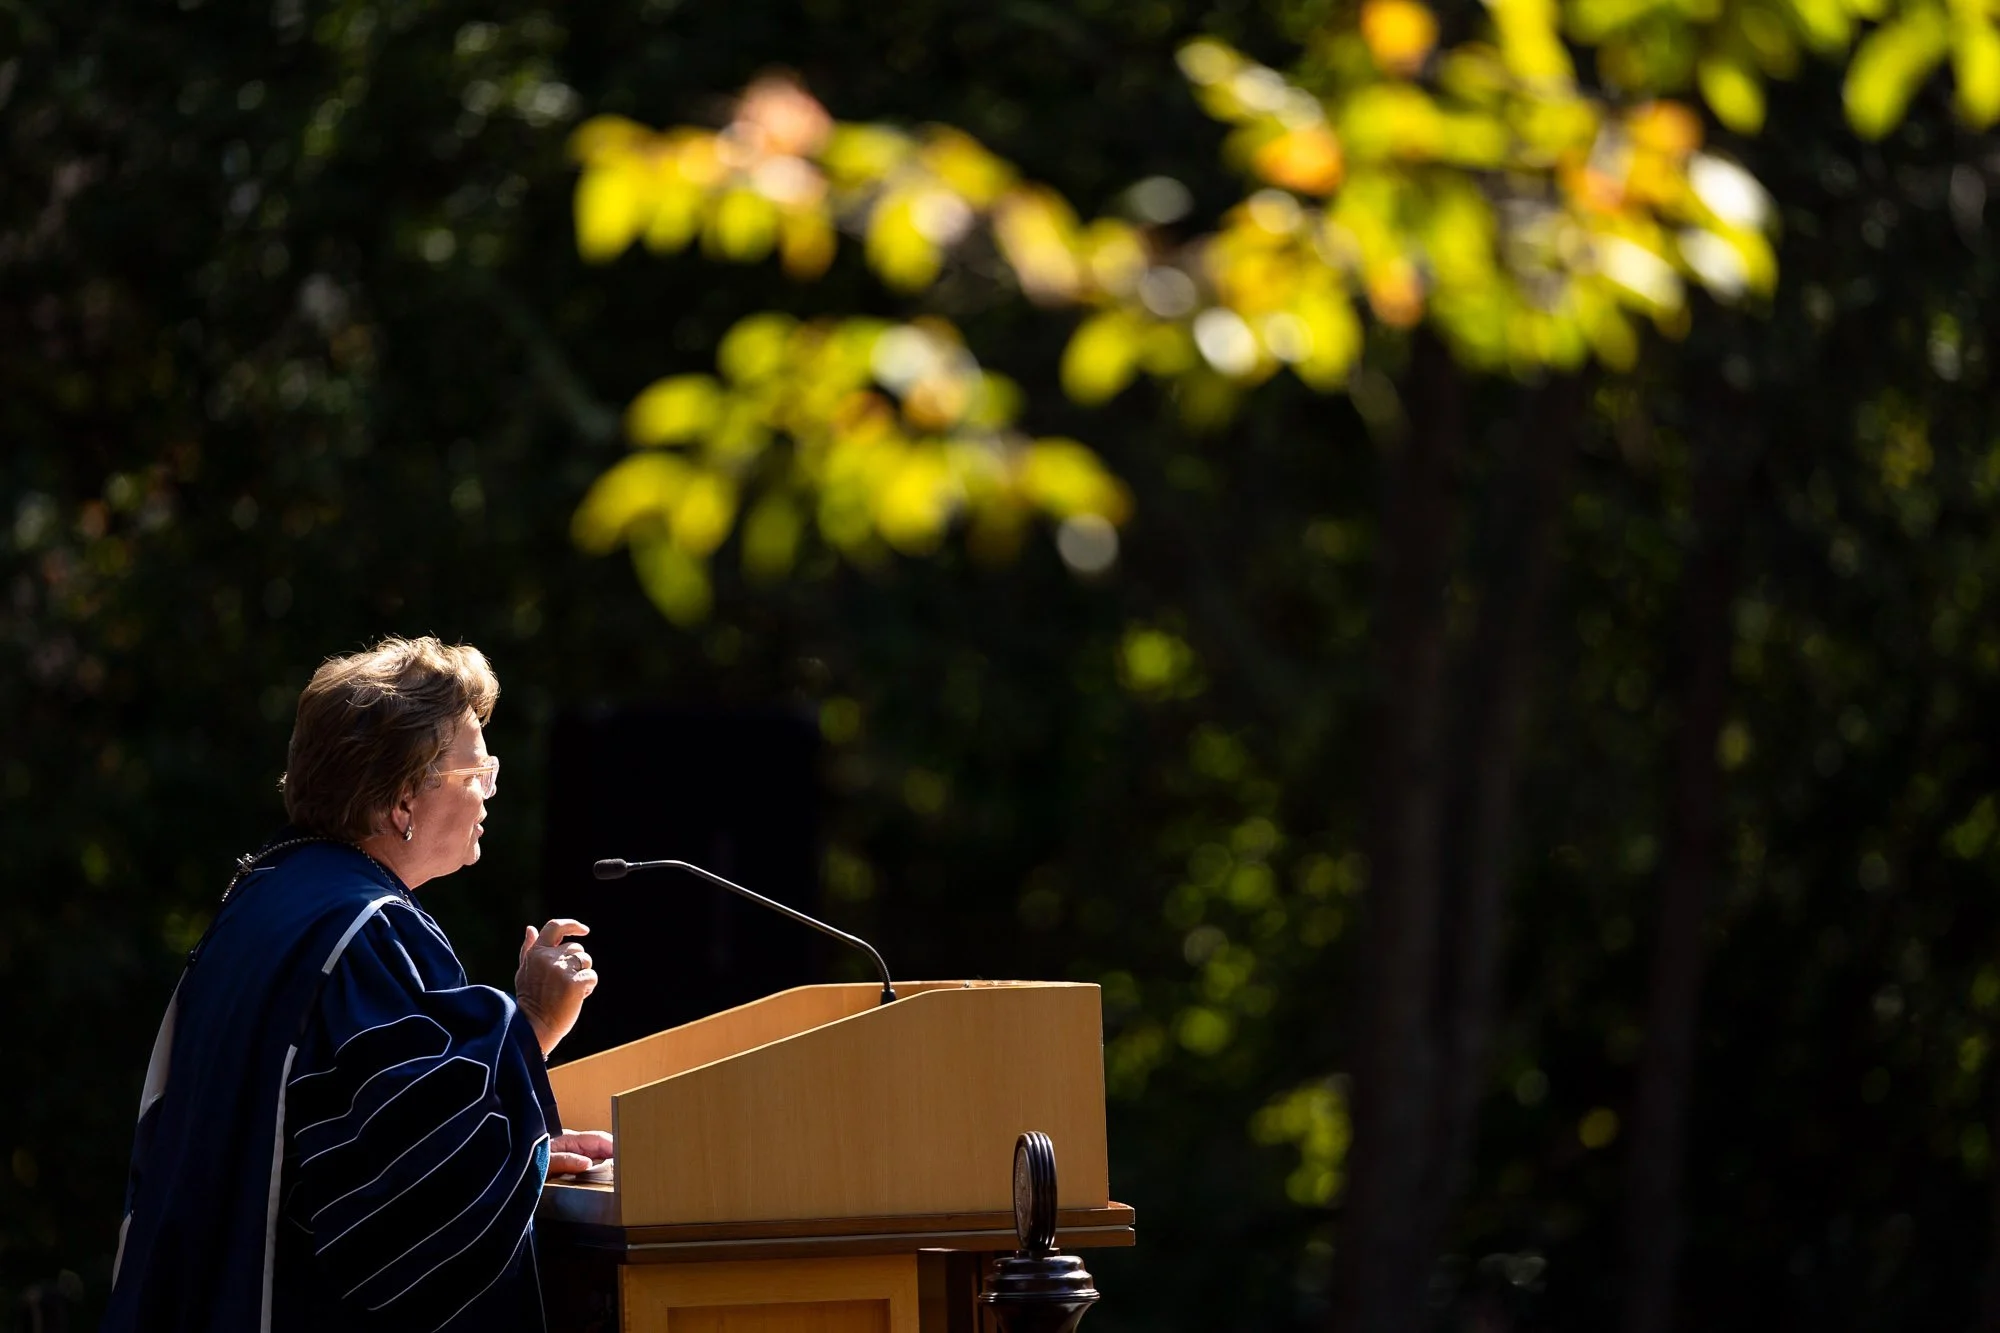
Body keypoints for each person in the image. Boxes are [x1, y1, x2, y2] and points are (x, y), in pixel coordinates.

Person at [104, 636, 610, 1332]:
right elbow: (415, 1204)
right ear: (404, 797)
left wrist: (517, 1144)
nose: (492, 790)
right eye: (478, 770)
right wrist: (531, 1024)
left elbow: (351, 1144)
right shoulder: (367, 932)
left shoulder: (264, 900)